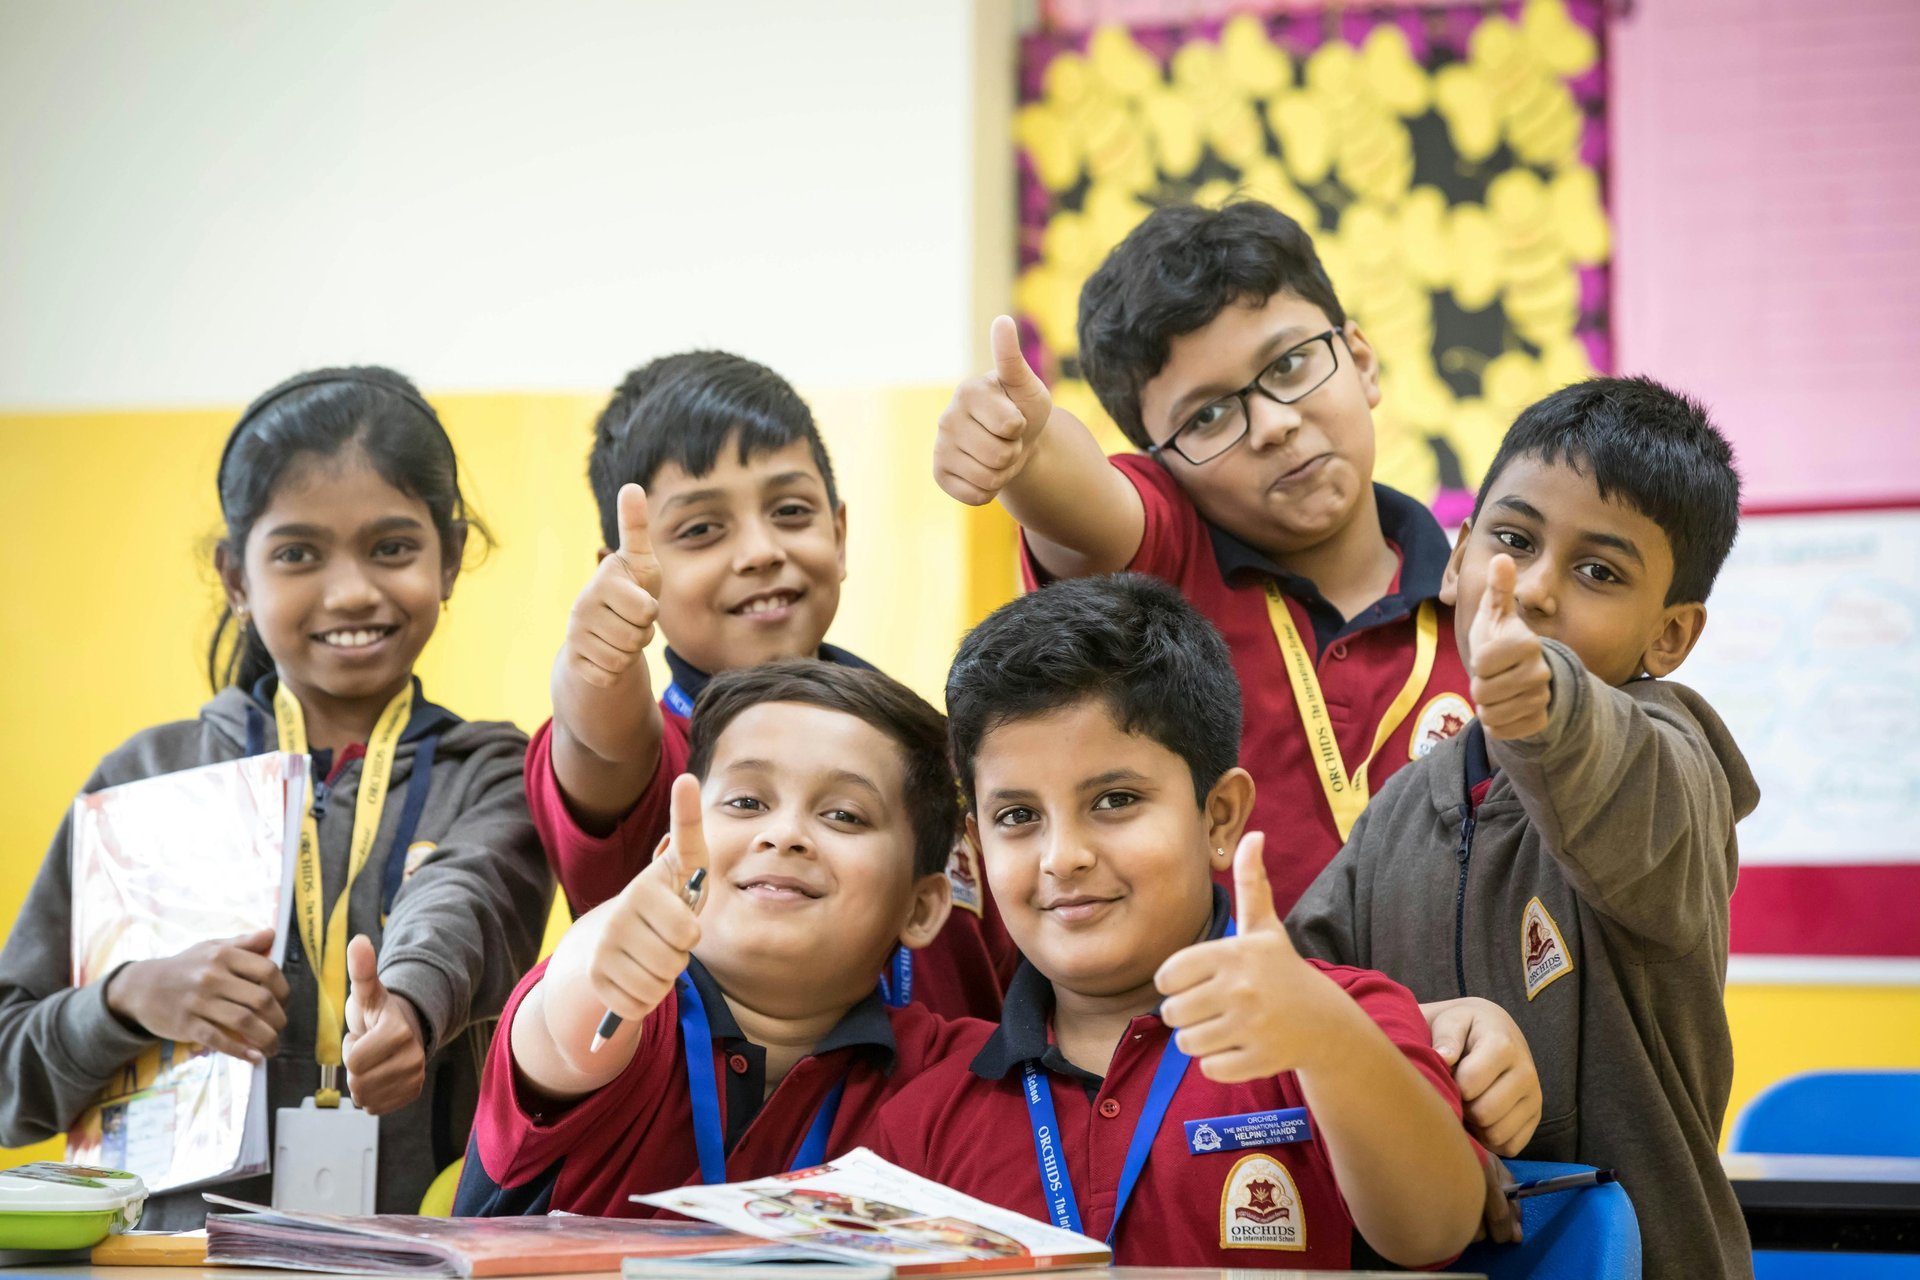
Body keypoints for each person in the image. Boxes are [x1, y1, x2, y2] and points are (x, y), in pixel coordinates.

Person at [0, 368, 551, 1225]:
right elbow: (10, 1078)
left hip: (419, 1255)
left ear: (448, 559)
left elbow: (464, 897)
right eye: (298, 553)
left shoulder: (496, 771)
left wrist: (406, 1001)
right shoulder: (145, 782)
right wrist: (125, 998)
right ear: (235, 576)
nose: (350, 591)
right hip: (174, 1264)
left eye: (391, 547)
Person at [870, 575, 1490, 1269]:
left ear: (1218, 817)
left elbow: (1437, 1227)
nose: (1063, 857)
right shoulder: (925, 1118)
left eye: (1114, 799)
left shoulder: (1345, 1019)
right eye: (1017, 817)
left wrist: (1329, 1043)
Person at [1289, 377, 1758, 1277]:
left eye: (1599, 572)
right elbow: (1316, 1005)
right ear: (1458, 560)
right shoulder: (1397, 812)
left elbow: (1613, 769)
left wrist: (1546, 704)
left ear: (1670, 637)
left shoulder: (1676, 770)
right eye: (1513, 540)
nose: (1536, 590)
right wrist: (1417, 1032)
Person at [932, 200, 1474, 914]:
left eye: (1290, 365)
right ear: (1164, 462)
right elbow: (1086, 504)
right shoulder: (1170, 559)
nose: (1276, 425)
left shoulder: (1487, 593)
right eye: (1208, 416)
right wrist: (1025, 451)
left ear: (1362, 361)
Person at [536, 352, 1011, 1018]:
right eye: (702, 529)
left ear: (839, 535)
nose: (760, 550)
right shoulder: (651, 761)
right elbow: (599, 737)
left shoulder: (936, 749)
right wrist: (593, 664)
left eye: (790, 511)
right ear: (626, 573)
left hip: (947, 1120)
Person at [456, 662, 979, 1216]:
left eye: (844, 815)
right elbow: (573, 1019)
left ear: (920, 908)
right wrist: (602, 953)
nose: (784, 835)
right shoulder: (634, 1020)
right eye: (747, 803)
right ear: (670, 863)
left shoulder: (957, 1077)